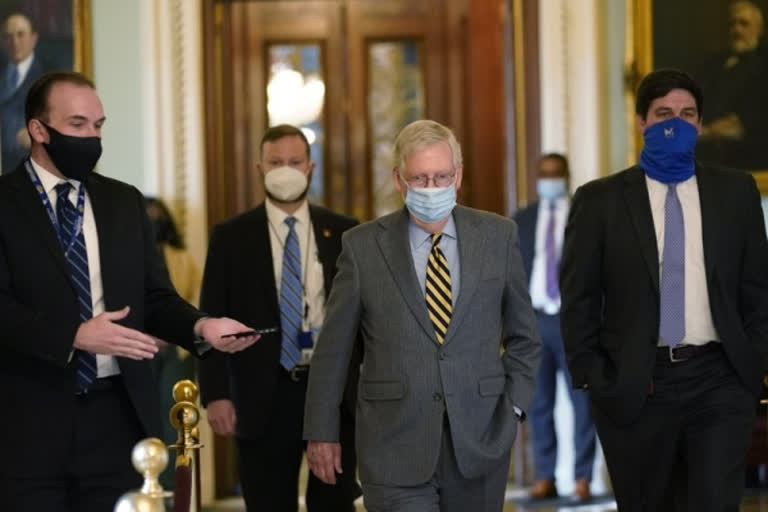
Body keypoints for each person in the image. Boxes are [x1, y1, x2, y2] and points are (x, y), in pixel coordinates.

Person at [0, 71, 259, 511]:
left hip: (117, 416)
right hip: (28, 420)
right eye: (78, 125)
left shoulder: (123, 202)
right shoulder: (5, 203)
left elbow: (154, 298)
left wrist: (203, 325)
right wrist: (73, 335)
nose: (92, 137)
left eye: (99, 126)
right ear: (39, 130)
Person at [303, 119, 541, 512]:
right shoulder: (363, 247)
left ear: (458, 176)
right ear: (399, 180)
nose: (432, 188)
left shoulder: (498, 236)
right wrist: (321, 432)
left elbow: (525, 338)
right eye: (420, 178)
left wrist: (513, 408)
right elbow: (334, 351)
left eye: (441, 176)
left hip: (481, 438)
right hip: (393, 443)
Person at [560, 68, 768, 511]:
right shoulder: (599, 201)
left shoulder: (735, 192)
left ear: (699, 123)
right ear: (641, 122)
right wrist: (598, 378)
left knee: (715, 502)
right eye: (664, 113)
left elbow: (758, 288)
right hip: (639, 385)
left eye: (687, 113)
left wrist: (751, 368)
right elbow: (578, 300)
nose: (676, 123)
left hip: (719, 380)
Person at [198, 124, 362, 511]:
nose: (285, 169)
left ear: (310, 166)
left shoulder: (345, 232)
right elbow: (210, 316)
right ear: (259, 167)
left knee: (335, 502)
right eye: (276, 162)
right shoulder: (230, 237)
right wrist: (216, 394)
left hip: (333, 392)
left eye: (294, 161)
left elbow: (363, 318)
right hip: (260, 393)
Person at [513, 153, 596, 501]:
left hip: (573, 321)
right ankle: (545, 476)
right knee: (539, 403)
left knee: (583, 403)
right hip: (535, 320)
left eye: (555, 174)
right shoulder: (524, 218)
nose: (549, 180)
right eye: (543, 174)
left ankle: (582, 478)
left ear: (566, 176)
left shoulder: (585, 215)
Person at [145, 196, 202, 490]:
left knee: (175, 422)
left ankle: (173, 493)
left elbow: (192, 300)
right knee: (144, 419)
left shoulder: (181, 258)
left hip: (176, 352)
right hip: (140, 349)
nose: (154, 223)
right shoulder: (129, 256)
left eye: (159, 217)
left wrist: (172, 333)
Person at [695, 0, 768, 169]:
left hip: (746, 158)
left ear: (759, 29)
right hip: (707, 159)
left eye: (744, 23)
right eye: (732, 23)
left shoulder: (763, 67)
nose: (737, 30)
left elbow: (745, 123)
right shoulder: (713, 66)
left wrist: (705, 132)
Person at [0, 12, 48, 173]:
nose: (14, 42)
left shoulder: (49, 75)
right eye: (8, 36)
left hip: (34, 168)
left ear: (33, 38)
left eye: (21, 34)